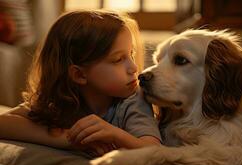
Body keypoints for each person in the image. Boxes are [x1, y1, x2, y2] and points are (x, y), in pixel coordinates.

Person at [0, 10, 161, 156]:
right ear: (79, 74)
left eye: (131, 54)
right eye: (118, 59)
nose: (134, 67)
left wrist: (115, 134)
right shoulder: (58, 102)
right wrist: (67, 138)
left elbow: (155, 150)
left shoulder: (133, 100)